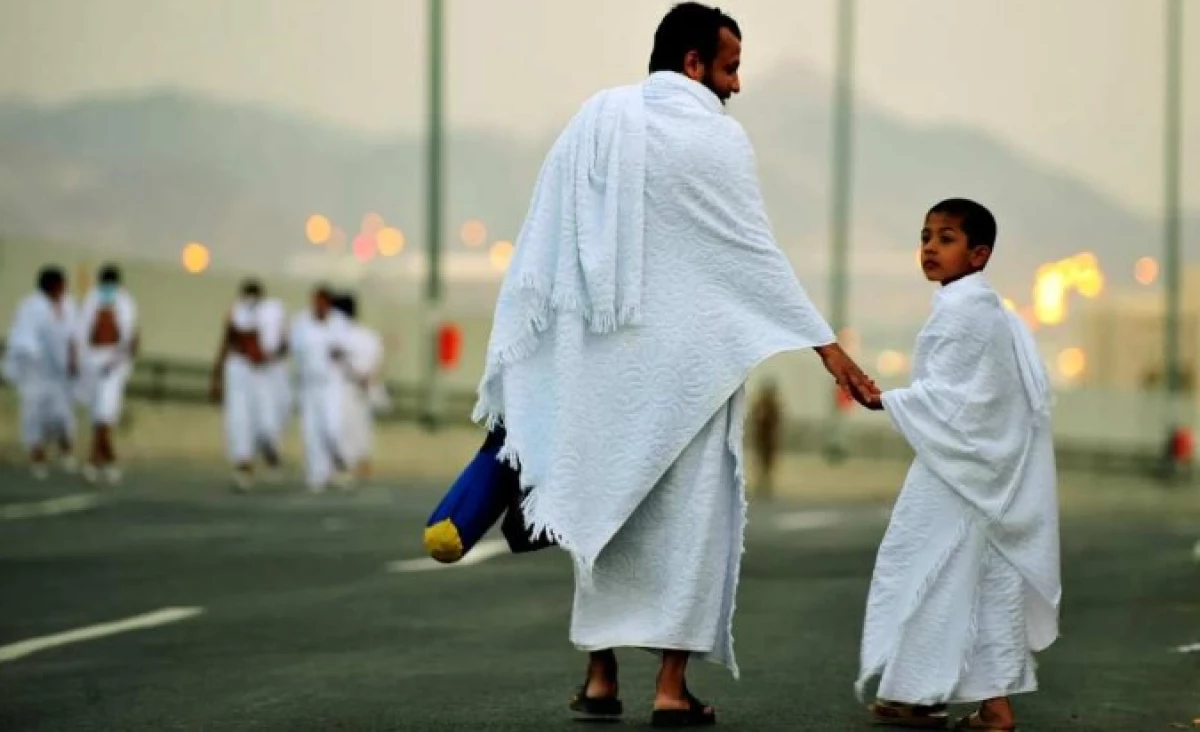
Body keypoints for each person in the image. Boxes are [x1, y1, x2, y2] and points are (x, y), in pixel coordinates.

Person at [472, 3, 877, 725]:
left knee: (602, 513)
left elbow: (548, 241)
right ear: (693, 63)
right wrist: (828, 348)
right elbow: (751, 254)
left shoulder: (594, 121)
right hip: (689, 371)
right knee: (690, 524)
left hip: (600, 365)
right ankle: (669, 688)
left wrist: (548, 354)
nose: (738, 85)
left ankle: (600, 680)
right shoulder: (716, 139)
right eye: (730, 67)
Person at [856, 199, 1061, 731]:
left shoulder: (966, 310)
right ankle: (939, 698)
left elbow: (957, 402)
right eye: (924, 235)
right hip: (975, 469)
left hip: (961, 472)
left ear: (978, 254)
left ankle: (959, 702)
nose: (928, 247)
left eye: (945, 238)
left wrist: (889, 401)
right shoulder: (984, 308)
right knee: (961, 578)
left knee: (931, 571)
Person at [209, 279, 289, 491]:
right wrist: (216, 376)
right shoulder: (235, 312)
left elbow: (282, 344)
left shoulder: (273, 313)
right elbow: (227, 341)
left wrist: (268, 355)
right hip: (239, 370)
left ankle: (271, 454)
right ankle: (243, 467)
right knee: (239, 420)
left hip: (263, 373)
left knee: (266, 424)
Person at [2, 266, 80, 479]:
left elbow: (73, 336)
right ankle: (37, 457)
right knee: (33, 415)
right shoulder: (31, 306)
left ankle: (66, 452)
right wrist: (31, 354)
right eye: (62, 284)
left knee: (62, 415)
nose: (65, 288)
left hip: (59, 373)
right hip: (35, 371)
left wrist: (73, 360)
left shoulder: (68, 306)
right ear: (53, 285)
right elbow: (22, 336)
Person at [76, 264, 139, 485]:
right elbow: (83, 331)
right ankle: (109, 461)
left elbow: (130, 336)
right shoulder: (92, 298)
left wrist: (120, 361)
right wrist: (79, 359)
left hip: (114, 362)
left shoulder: (125, 302)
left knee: (105, 411)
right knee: (97, 415)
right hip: (92, 360)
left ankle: (93, 460)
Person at [289, 285, 354, 493]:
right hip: (309, 385)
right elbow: (295, 350)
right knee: (311, 430)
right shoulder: (302, 322)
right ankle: (318, 473)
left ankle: (340, 464)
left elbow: (343, 349)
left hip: (331, 384)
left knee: (332, 427)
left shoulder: (339, 322)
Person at [332, 293, 386, 480]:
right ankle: (359, 463)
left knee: (347, 426)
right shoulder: (368, 335)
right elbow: (378, 362)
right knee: (361, 426)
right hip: (363, 387)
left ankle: (349, 465)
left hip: (347, 387)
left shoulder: (341, 335)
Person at [749, 379, 783, 499]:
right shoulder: (761, 404)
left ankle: (765, 485)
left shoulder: (771, 405)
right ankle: (761, 485)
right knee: (761, 463)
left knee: (767, 464)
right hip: (762, 438)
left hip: (768, 439)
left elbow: (776, 422)